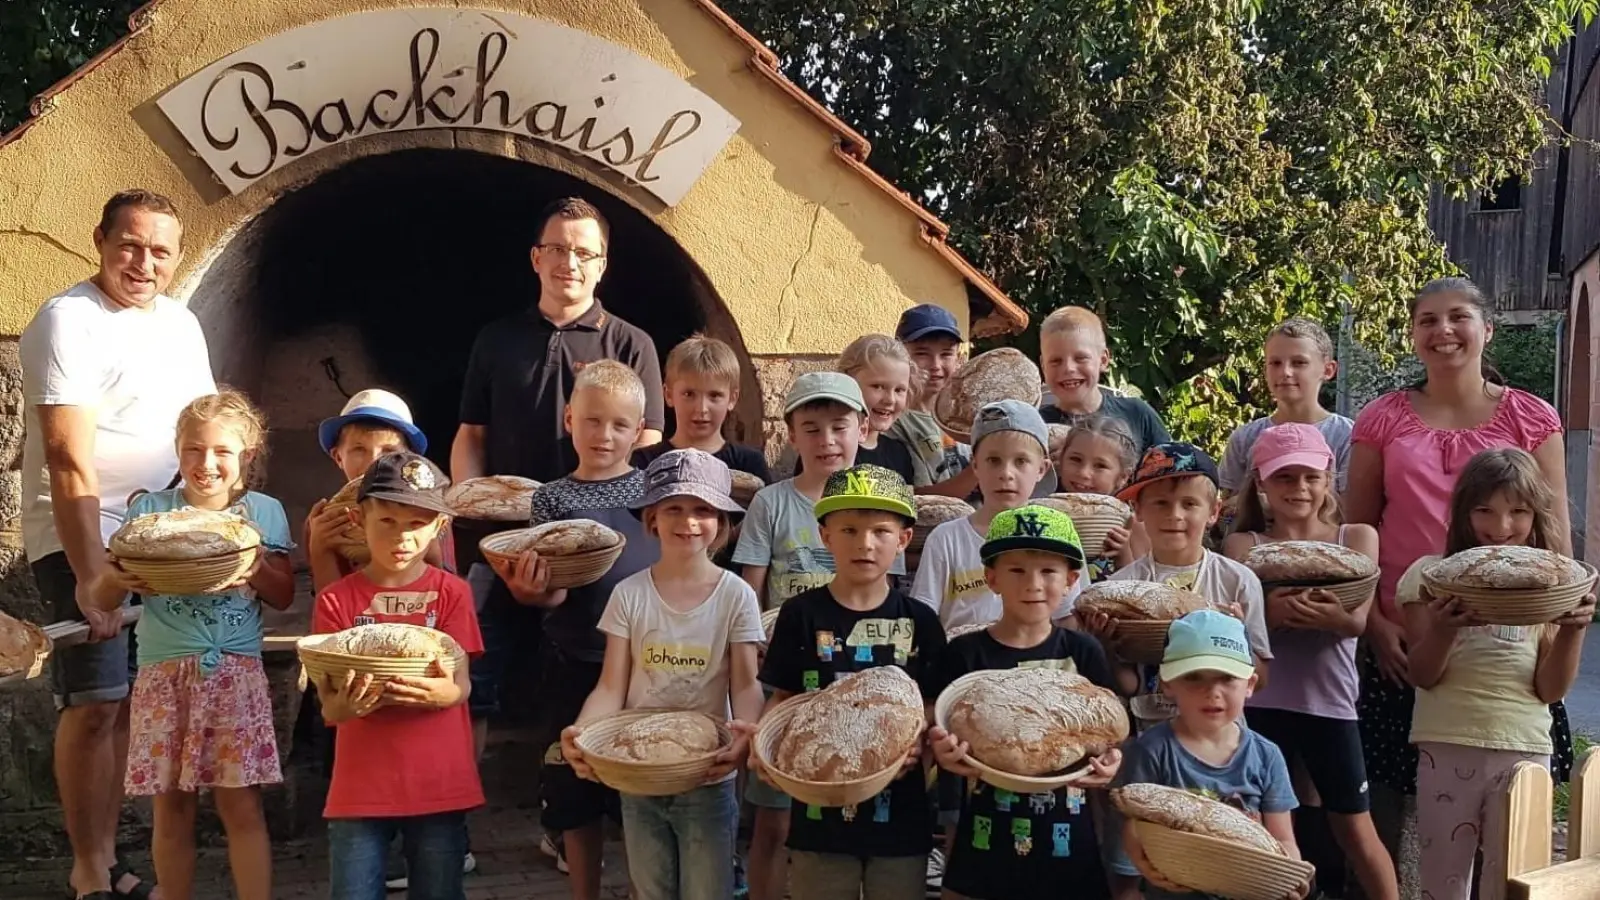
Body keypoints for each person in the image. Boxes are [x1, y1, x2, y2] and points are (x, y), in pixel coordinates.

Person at [20, 188, 216, 899]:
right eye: (130, 244)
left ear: (177, 258)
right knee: (94, 702)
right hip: (82, 534)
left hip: (158, 540)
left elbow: (199, 434)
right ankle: (85, 870)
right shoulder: (68, 321)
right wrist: (90, 576)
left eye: (159, 250)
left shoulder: (181, 324)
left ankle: (111, 855)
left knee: (133, 702)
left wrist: (207, 535)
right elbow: (69, 459)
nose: (143, 262)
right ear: (99, 239)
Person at [1344, 276, 1572, 868]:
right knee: (1395, 796)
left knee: (1507, 808)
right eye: (1427, 321)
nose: (1443, 331)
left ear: (1486, 329)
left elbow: (1556, 538)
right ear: (1414, 336)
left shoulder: (1530, 417)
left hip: (1510, 643)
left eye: (1458, 317)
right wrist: (1372, 621)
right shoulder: (1382, 418)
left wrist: (1554, 629)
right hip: (1407, 633)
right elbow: (1357, 531)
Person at [85, 391, 292, 900]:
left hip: (235, 676)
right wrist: (118, 576)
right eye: (193, 450)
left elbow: (283, 594)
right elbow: (103, 594)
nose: (207, 463)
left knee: (241, 806)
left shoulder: (264, 513)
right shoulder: (152, 513)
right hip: (163, 675)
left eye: (222, 451)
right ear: (178, 453)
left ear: (247, 453)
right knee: (171, 808)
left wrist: (256, 566)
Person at [559, 449, 765, 900]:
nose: (688, 521)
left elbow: (745, 683)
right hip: (639, 775)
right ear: (651, 518)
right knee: (650, 890)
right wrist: (582, 731)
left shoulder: (735, 596)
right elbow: (611, 685)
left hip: (708, 776)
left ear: (722, 522)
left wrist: (746, 738)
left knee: (707, 891)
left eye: (702, 510)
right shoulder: (629, 595)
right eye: (674, 508)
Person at [1396, 448, 1595, 900]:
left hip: (1524, 745)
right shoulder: (1429, 577)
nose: (1500, 527)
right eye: (1484, 509)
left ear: (1535, 516)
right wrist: (1444, 629)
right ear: (1463, 511)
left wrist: (1572, 631)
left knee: (1510, 882)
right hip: (1447, 742)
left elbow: (1550, 688)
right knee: (1442, 882)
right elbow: (1422, 674)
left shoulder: (1549, 586)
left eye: (1518, 512)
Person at [499, 360, 662, 900]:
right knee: (575, 789)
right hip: (573, 659)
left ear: (639, 432)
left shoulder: (652, 493)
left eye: (620, 425)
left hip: (645, 665)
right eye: (592, 421)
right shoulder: (551, 499)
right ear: (570, 419)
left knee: (640, 794)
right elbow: (553, 590)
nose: (605, 435)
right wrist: (531, 591)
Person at [753, 464, 946, 900]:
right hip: (819, 815)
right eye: (849, 529)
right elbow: (783, 697)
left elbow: (934, 703)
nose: (865, 543)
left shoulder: (920, 621)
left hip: (901, 814)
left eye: (881, 531)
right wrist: (764, 749)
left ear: (903, 540)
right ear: (825, 536)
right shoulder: (801, 615)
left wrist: (921, 736)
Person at [301, 388, 469, 892]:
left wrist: (451, 692)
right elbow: (334, 634)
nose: (401, 534)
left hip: (435, 769)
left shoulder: (444, 576)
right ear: (338, 455)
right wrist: (319, 544)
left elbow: (454, 652)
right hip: (363, 755)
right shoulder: (327, 518)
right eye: (359, 449)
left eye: (386, 451)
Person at [1220, 424, 1397, 900]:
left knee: (1355, 827)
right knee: (1262, 828)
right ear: (1261, 482)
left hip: (1330, 705)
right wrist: (1271, 617)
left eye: (1309, 477)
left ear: (1328, 477)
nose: (1299, 489)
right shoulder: (1244, 546)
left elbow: (1357, 622)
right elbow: (1241, 631)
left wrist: (1326, 615)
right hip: (1259, 706)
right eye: (1284, 478)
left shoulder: (1356, 537)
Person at [732, 371, 882, 900]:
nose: (827, 441)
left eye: (839, 426)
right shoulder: (772, 504)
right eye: (811, 429)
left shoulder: (879, 501)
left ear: (863, 429)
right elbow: (750, 594)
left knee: (853, 814)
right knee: (774, 821)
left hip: (860, 680)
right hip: (791, 680)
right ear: (791, 435)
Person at [926, 505, 1124, 900]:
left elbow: (1111, 733)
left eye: (1048, 571)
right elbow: (936, 724)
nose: (1033, 584)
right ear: (992, 578)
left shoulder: (1082, 652)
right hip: (986, 828)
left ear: (1070, 580)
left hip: (1067, 833)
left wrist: (1112, 763)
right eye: (1017, 570)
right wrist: (941, 751)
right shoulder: (964, 654)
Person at [453, 195, 665, 485]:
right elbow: (472, 435)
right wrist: (469, 503)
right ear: (536, 258)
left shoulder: (633, 345)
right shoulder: (495, 339)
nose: (570, 263)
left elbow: (647, 440)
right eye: (557, 249)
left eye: (584, 253)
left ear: (601, 266)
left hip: (596, 522)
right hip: (505, 521)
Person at [1110, 610, 1307, 900]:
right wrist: (1140, 865)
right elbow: (1133, 828)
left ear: (1249, 685)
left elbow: (1282, 840)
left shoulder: (1266, 756)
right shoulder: (1152, 750)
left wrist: (1291, 877)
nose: (1212, 691)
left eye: (1227, 678)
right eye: (1194, 677)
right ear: (1168, 683)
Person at [1085, 444, 1272, 727]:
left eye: (1189, 503)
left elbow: (1259, 680)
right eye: (1160, 503)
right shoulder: (1120, 587)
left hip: (1224, 741)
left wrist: (1239, 636)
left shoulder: (1238, 580)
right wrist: (1106, 648)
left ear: (1213, 511)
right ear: (1138, 510)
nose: (1175, 514)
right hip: (1150, 737)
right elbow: (1129, 685)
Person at [912, 400, 1080, 630]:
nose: (1006, 474)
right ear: (975, 466)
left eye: (1021, 461)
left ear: (1041, 469)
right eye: (993, 461)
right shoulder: (947, 539)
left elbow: (1068, 618)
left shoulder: (1057, 535)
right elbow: (924, 614)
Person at [1218, 318, 1353, 497]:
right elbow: (1227, 509)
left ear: (1328, 370)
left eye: (1299, 363)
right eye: (1275, 363)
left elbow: (1351, 510)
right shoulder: (1244, 439)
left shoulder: (1348, 436)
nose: (1285, 372)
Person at [631, 334, 771, 481]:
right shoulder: (644, 463)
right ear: (668, 395)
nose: (702, 408)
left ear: (732, 398)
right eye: (689, 394)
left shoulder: (749, 464)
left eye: (714, 396)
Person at [1035, 307, 1170, 454]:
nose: (1068, 368)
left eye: (1081, 358)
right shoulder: (1034, 426)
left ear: (1103, 360)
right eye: (1055, 361)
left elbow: (1178, 469)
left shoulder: (1137, 414)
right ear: (1043, 366)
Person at [886, 304, 977, 498]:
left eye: (946, 354)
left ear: (959, 359)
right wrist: (980, 469)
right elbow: (914, 499)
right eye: (921, 354)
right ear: (900, 357)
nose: (935, 365)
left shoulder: (969, 417)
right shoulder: (892, 422)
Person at [1052, 413, 1145, 583]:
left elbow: (1137, 587)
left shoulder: (1131, 526)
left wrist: (1122, 554)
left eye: (1100, 466)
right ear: (1061, 460)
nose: (1084, 473)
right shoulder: (1043, 514)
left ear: (1123, 476)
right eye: (1076, 459)